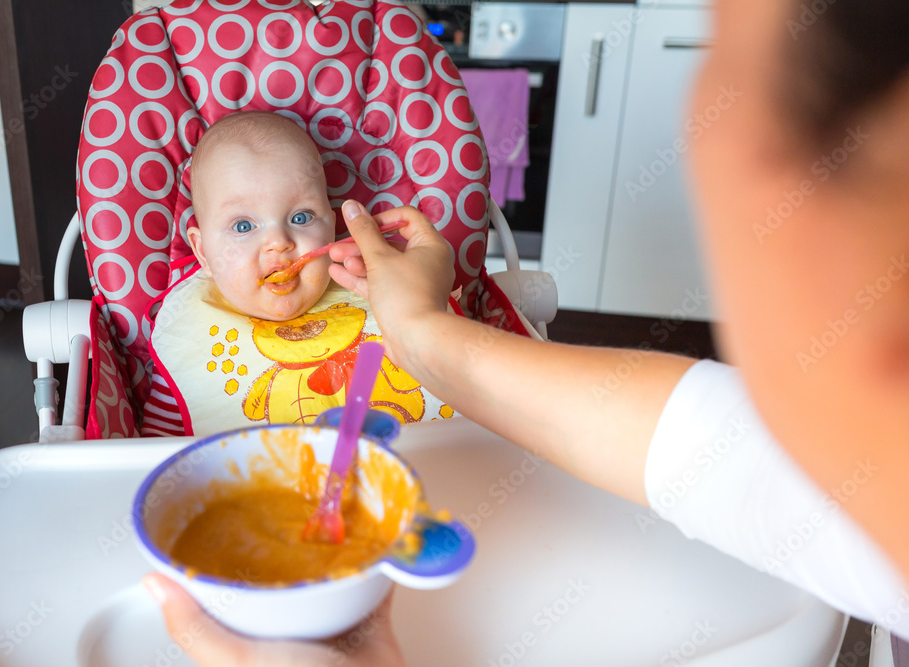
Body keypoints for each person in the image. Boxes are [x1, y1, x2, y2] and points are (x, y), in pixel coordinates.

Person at [143, 0, 909, 662]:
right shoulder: (850, 497)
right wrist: (421, 326)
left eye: (720, 46)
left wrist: (410, 322)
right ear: (201, 243)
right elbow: (706, 445)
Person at [142, 110, 452, 435]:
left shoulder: (379, 286)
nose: (278, 242)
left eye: (302, 218)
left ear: (332, 228)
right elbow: (155, 456)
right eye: (243, 225)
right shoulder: (189, 337)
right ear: (203, 251)